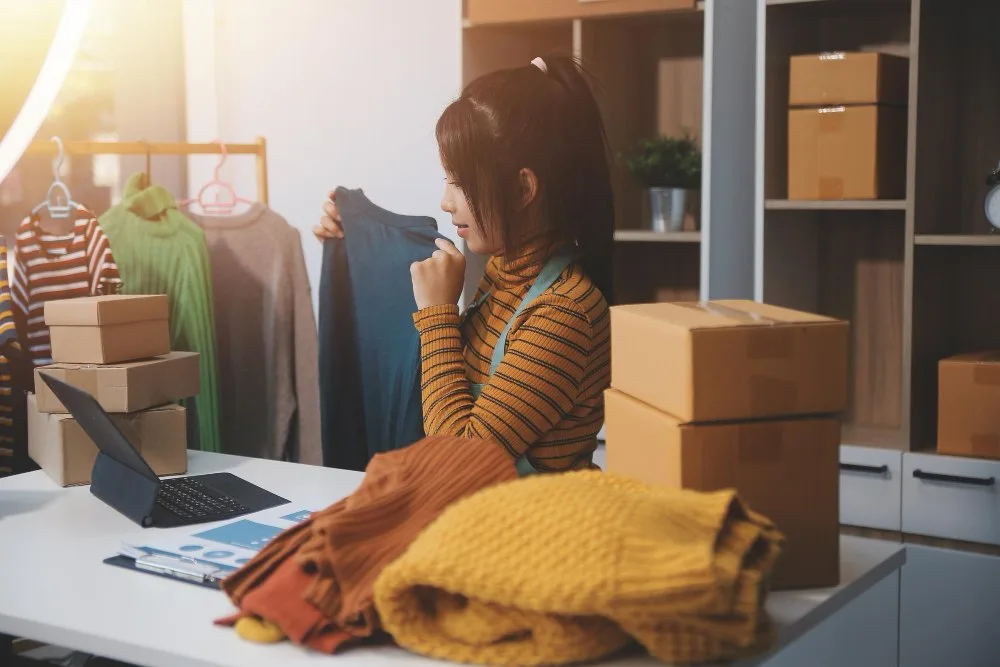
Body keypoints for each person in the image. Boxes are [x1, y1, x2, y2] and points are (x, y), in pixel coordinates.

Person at [314, 55, 613, 474]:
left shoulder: (565, 314)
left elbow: (460, 460)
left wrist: (438, 316)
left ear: (523, 188)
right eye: (446, 179)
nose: (445, 201)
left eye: (460, 182)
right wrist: (354, 237)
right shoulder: (503, 275)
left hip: (530, 531)